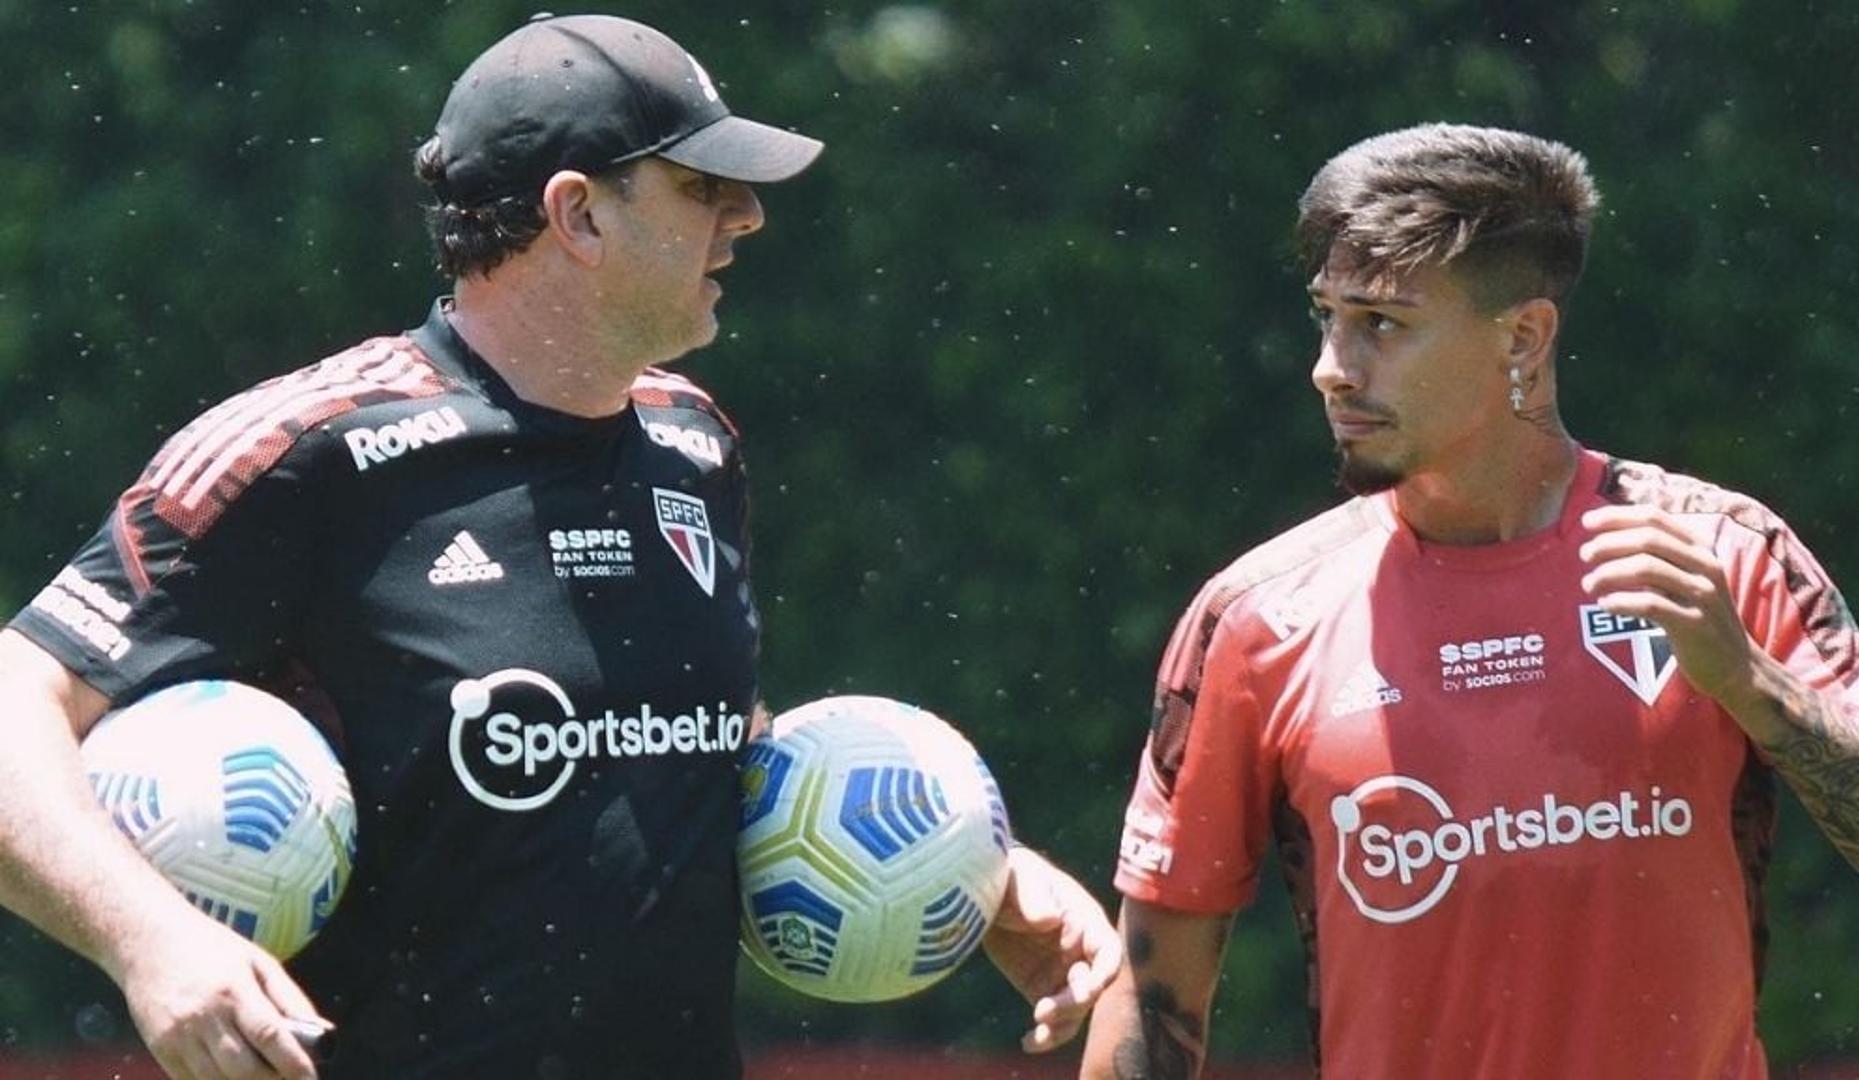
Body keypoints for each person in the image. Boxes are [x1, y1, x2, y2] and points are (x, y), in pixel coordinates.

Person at [0, 14, 1117, 1079]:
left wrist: (971, 873)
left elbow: (681, 741)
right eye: (701, 187)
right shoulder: (310, 452)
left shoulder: (695, 445)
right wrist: (149, 942)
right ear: (577, 215)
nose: (748, 218)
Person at [1078, 123, 1859, 1080]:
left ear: (1524, 335)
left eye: (1382, 324)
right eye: (1327, 316)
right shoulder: (1256, 619)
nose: (1331, 366)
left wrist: (1750, 683)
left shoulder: (1721, 554)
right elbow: (1155, 1000)